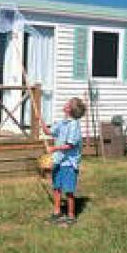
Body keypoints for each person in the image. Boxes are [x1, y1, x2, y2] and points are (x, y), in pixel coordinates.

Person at [41, 97, 86, 226]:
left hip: (69, 163)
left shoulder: (74, 125)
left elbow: (70, 145)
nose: (65, 104)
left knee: (69, 191)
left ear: (70, 109)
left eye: (67, 103)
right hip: (58, 161)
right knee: (56, 188)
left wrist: (53, 148)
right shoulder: (62, 122)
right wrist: (41, 121)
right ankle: (57, 213)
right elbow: (48, 132)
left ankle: (71, 216)